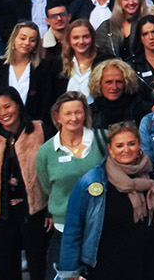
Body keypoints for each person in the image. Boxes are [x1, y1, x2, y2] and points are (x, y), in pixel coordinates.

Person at [54, 121, 154, 280]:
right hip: (109, 269)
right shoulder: (92, 182)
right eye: (119, 145)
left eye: (131, 144)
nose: (126, 150)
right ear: (110, 149)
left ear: (139, 145)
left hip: (153, 267)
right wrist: (70, 272)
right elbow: (74, 229)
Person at [0, 89, 50, 280]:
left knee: (39, 266)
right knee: (3, 269)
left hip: (34, 211)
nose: (3, 113)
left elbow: (51, 172)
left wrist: (50, 211)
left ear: (18, 106)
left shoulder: (39, 130)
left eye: (7, 106)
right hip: (0, 215)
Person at [38, 92, 107, 279]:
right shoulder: (46, 151)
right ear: (57, 117)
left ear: (85, 114)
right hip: (64, 229)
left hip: (100, 226)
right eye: (67, 113)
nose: (74, 118)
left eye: (78, 112)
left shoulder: (103, 139)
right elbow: (47, 186)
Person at [0, 22, 62, 127]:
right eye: (23, 38)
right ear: (14, 39)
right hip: (2, 127)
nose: (27, 43)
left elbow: (46, 103)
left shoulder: (44, 68)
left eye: (32, 40)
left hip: (33, 127)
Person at [90, 60, 154, 128]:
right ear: (98, 83)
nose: (114, 87)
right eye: (109, 82)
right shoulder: (90, 113)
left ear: (126, 82)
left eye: (119, 82)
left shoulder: (142, 108)